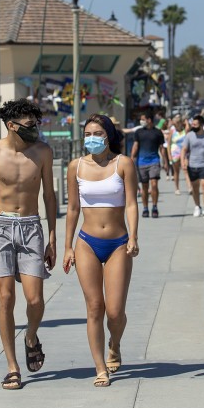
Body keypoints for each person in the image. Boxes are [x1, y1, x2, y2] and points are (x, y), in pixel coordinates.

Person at [0, 98, 57, 390]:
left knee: (35, 299)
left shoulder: (42, 152)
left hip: (31, 226)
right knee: (5, 298)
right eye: (29, 125)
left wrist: (52, 236)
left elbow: (50, 196)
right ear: (11, 125)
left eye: (36, 123)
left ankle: (31, 336)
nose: (35, 129)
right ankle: (12, 366)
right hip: (0, 228)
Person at [64, 114, 139, 388]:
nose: (91, 138)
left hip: (118, 242)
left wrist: (134, 236)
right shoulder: (75, 166)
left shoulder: (123, 164)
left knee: (115, 312)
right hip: (87, 242)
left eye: (97, 133)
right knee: (95, 306)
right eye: (87, 134)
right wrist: (67, 247)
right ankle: (99, 368)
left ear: (108, 135)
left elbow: (131, 203)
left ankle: (114, 344)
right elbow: (72, 209)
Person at [131, 110, 168, 218]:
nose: (141, 121)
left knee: (154, 184)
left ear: (149, 120)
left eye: (143, 119)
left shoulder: (157, 132)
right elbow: (135, 146)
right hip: (141, 162)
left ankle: (155, 207)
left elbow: (162, 148)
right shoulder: (139, 132)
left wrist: (165, 162)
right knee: (144, 187)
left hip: (154, 161)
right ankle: (145, 208)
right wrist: (132, 158)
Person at [168, 115, 191, 195]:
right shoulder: (172, 131)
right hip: (175, 152)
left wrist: (186, 122)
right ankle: (177, 188)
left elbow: (188, 127)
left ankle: (189, 187)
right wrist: (169, 155)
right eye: (175, 123)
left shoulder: (185, 130)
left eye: (177, 123)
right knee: (176, 171)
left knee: (186, 169)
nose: (176, 125)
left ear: (181, 123)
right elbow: (168, 143)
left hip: (184, 152)